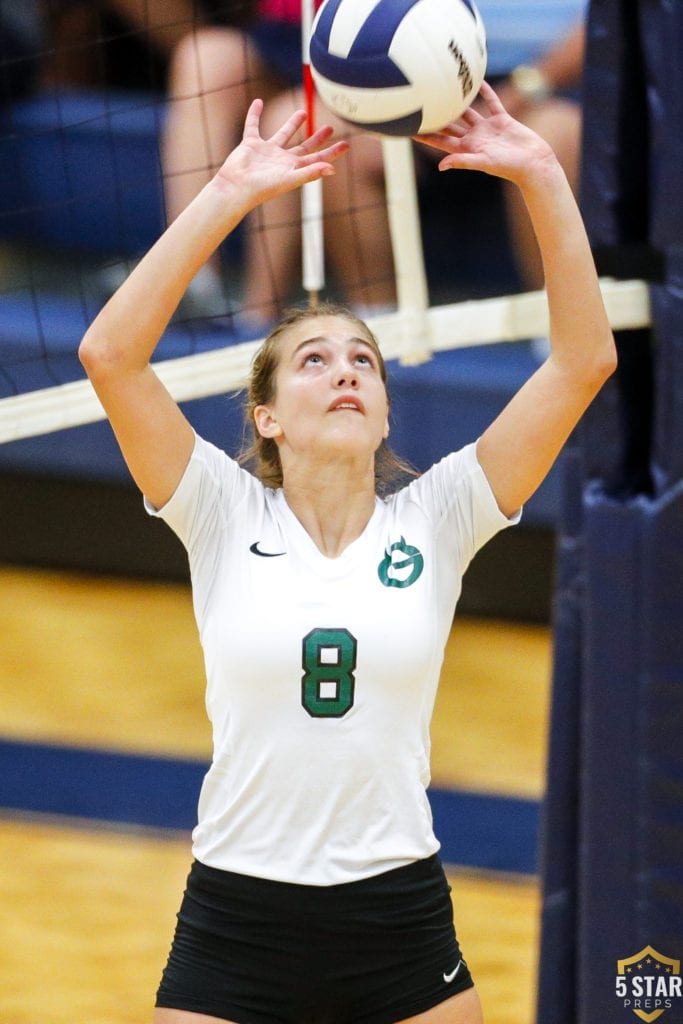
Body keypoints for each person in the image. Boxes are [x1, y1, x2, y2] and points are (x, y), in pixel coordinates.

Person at [78, 83, 616, 1024]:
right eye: (314, 360)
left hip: (396, 920)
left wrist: (539, 172)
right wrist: (231, 192)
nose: (345, 373)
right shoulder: (216, 506)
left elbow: (582, 360)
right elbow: (109, 355)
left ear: (383, 410)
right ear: (267, 418)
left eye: (362, 360)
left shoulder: (441, 514)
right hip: (236, 916)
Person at [161, 3, 397, 326]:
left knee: (299, 118)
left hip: (383, 45)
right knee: (206, 58)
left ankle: (257, 320)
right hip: (289, 32)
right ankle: (191, 281)